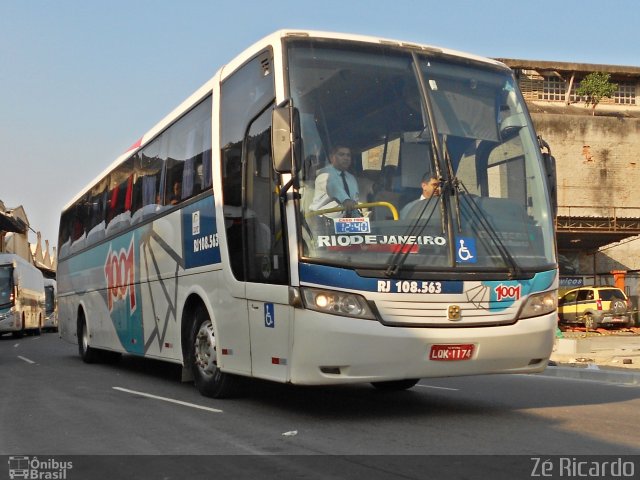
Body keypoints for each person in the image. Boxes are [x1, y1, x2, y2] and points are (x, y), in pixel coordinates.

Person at [309, 145, 360, 217]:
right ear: (331, 157)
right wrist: (346, 200)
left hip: (345, 222)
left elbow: (354, 201)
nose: (346, 158)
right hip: (322, 221)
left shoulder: (351, 178)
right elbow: (333, 186)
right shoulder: (325, 173)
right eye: (341, 154)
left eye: (348, 155)